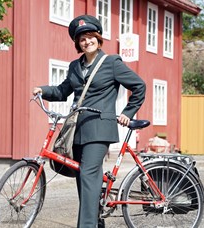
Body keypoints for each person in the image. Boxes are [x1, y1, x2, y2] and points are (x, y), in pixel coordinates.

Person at [32, 15, 146, 228]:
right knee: (82, 178)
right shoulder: (75, 66)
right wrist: (43, 90)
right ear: (77, 43)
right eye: (82, 39)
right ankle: (95, 221)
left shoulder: (112, 63)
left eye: (90, 37)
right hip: (78, 130)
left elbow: (139, 86)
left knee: (88, 175)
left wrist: (128, 112)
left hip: (100, 129)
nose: (87, 42)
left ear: (98, 38)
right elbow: (62, 91)